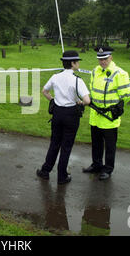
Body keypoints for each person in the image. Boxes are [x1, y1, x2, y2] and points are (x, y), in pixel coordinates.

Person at [37, 50, 90, 184]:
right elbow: (87, 100)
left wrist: (53, 100)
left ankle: (45, 171)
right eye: (77, 61)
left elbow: (44, 91)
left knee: (54, 143)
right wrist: (80, 102)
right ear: (72, 63)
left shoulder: (55, 77)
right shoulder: (77, 80)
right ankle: (62, 176)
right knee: (66, 146)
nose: (78, 63)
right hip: (71, 115)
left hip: (57, 113)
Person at [83, 47, 130, 180]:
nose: (102, 61)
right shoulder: (95, 71)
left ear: (111, 57)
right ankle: (96, 165)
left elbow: (127, 94)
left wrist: (118, 106)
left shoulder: (119, 73)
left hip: (109, 116)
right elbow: (92, 89)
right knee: (96, 143)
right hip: (95, 114)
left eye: (105, 58)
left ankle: (108, 169)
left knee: (110, 146)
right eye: (100, 59)